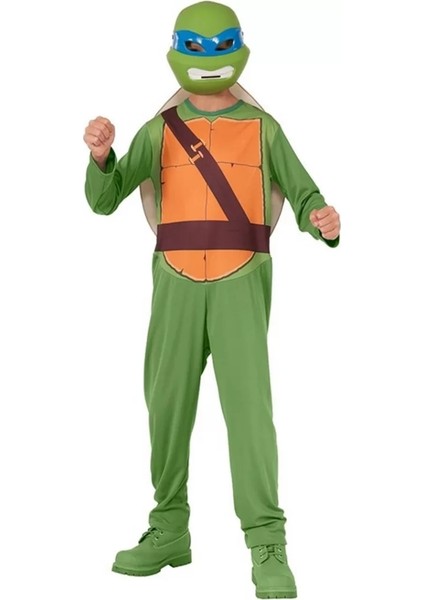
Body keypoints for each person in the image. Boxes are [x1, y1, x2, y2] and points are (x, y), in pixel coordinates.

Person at [83, 2, 340, 597]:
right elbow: (106, 199)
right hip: (173, 279)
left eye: (219, 46)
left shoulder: (263, 128)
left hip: (241, 280)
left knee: (250, 414)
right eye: (195, 48)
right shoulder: (159, 129)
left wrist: (321, 221)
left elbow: (304, 193)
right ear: (177, 52)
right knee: (166, 405)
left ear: (239, 49)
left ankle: (267, 541)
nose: (207, 59)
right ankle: (169, 528)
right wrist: (101, 159)